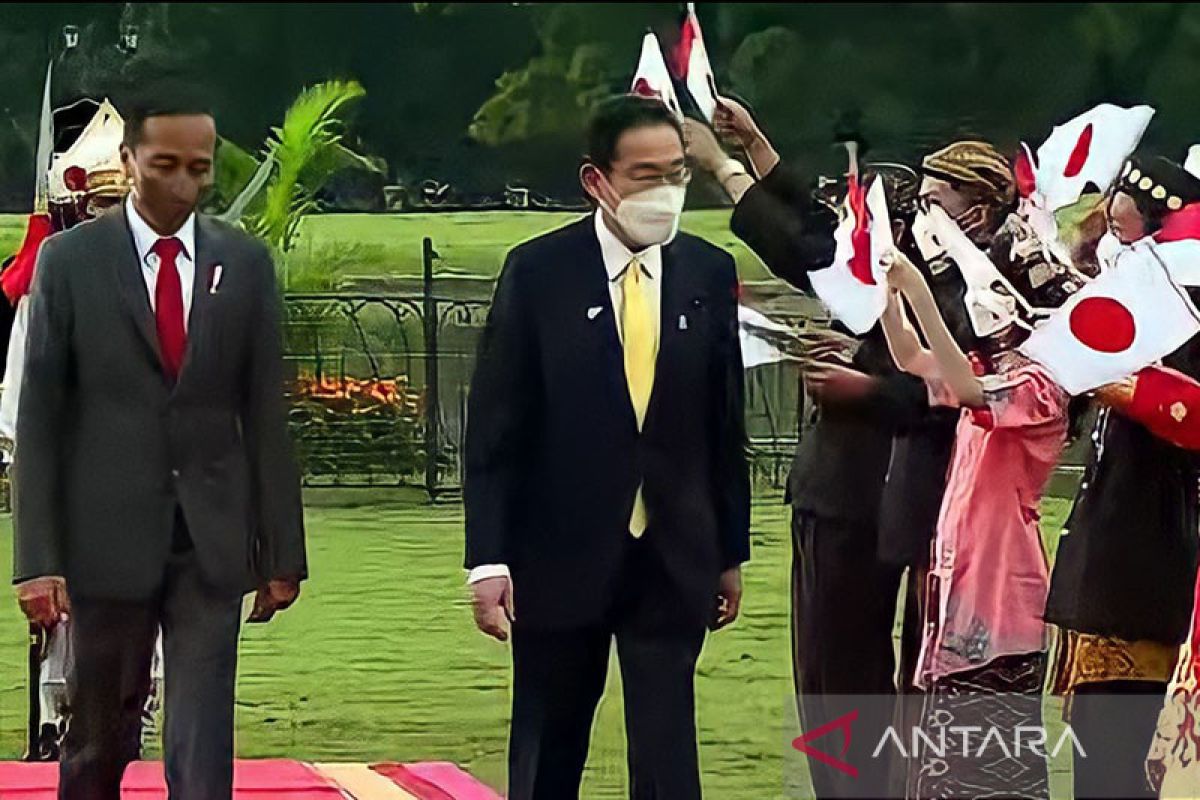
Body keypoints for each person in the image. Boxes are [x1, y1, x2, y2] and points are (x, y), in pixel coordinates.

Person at [12, 79, 307, 799]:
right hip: (105, 541)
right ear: (129, 159)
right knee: (99, 738)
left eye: (199, 168)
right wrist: (37, 561)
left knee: (201, 742)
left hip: (211, 540)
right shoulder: (70, 263)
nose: (184, 183)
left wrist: (282, 552)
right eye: (166, 165)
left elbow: (265, 414)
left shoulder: (244, 265)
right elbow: (41, 416)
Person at [463, 94, 750, 800]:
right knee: (549, 748)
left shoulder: (708, 273)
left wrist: (730, 551)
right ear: (597, 180)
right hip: (560, 553)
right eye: (645, 176)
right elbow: (497, 427)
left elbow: (724, 423)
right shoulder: (539, 274)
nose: (665, 192)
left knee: (667, 756)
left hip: (674, 553)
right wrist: (488, 559)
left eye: (676, 174)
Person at [686, 106, 976, 798]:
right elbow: (819, 238)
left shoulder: (975, 284)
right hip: (850, 486)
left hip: (899, 492)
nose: (924, 212)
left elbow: (958, 393)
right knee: (833, 671)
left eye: (937, 199)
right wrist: (757, 147)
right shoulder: (897, 266)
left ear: (978, 209)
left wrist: (866, 387)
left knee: (887, 672)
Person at [879, 200, 1080, 797]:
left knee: (992, 768)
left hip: (1000, 594)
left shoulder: (1041, 389)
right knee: (949, 759)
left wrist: (918, 290)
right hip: (964, 584)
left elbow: (968, 391)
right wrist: (881, 287)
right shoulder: (995, 373)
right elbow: (911, 358)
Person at [1046, 155, 1200, 800]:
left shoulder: (1185, 303)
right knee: (1097, 744)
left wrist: (1115, 381)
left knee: (1124, 747)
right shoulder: (1121, 290)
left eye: (1122, 213)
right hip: (1109, 545)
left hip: (1154, 548)